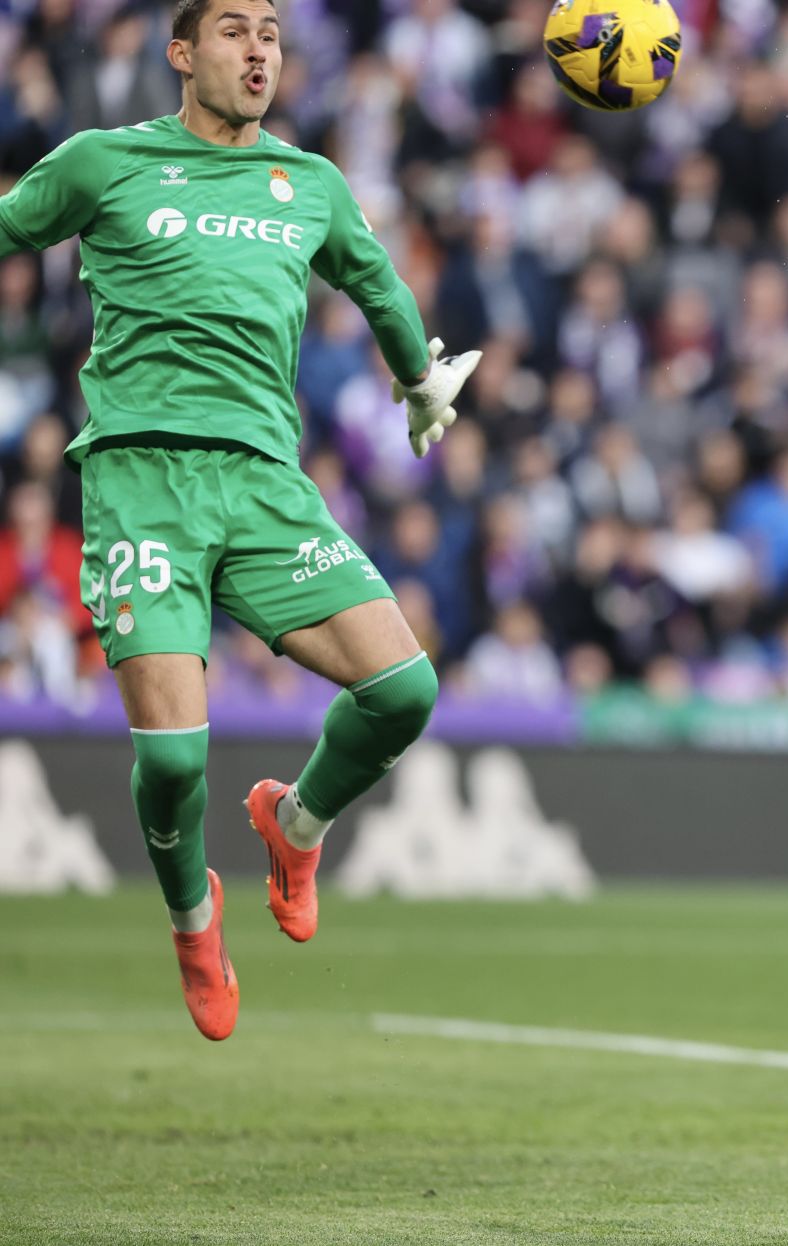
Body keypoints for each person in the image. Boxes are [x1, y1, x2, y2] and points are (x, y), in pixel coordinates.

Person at [0, 0, 479, 1041]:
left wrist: (419, 381)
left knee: (405, 689)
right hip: (141, 482)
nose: (258, 48)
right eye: (232, 29)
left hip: (265, 483)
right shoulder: (103, 162)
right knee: (173, 762)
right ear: (182, 53)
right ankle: (193, 918)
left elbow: (377, 282)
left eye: (269, 31)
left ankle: (292, 821)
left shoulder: (310, 182)